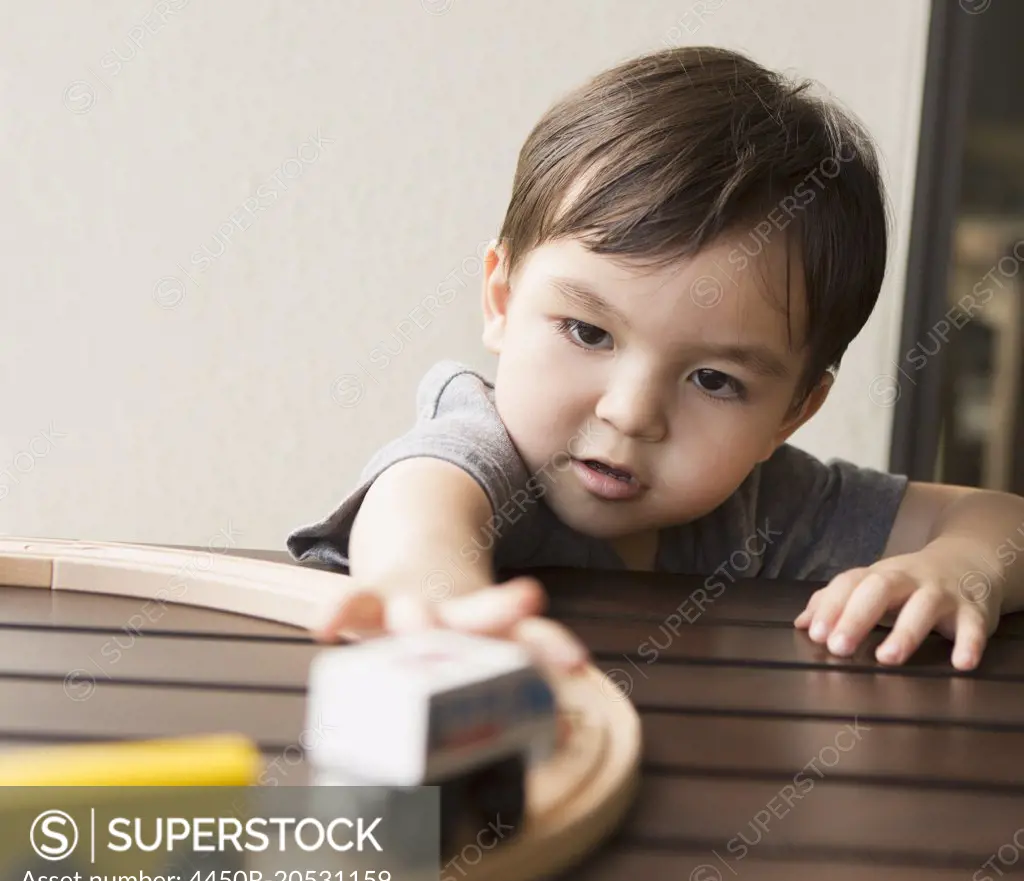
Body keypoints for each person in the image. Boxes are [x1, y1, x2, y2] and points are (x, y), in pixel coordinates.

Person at [288, 45, 1024, 678]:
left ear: (793, 412)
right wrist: (444, 613)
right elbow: (416, 517)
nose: (630, 412)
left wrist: (959, 567)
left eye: (713, 380)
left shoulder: (765, 504)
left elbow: (997, 517)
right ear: (502, 300)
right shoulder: (480, 449)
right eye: (587, 333)